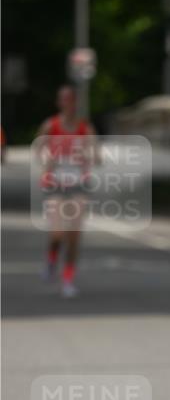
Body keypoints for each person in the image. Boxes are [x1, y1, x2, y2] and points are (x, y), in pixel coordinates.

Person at [37, 85, 96, 298]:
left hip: (78, 184)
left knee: (74, 235)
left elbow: (97, 155)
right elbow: (38, 150)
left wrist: (87, 156)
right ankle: (52, 260)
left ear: (75, 103)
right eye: (64, 99)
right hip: (56, 184)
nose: (68, 103)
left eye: (71, 99)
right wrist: (48, 161)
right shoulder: (50, 126)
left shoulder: (84, 128)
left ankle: (68, 280)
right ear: (59, 102)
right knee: (57, 233)